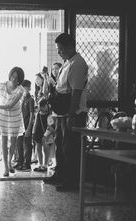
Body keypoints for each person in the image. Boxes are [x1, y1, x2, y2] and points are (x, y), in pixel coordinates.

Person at [46, 33, 88, 192]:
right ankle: (60, 174)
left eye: (61, 49)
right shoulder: (68, 62)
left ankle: (71, 180)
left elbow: (76, 92)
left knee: (70, 147)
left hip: (73, 112)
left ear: (70, 46)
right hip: (61, 112)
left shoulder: (77, 64)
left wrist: (71, 115)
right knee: (60, 144)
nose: (59, 52)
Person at [0, 67, 25, 177]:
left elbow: (10, 106)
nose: (14, 79)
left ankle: (10, 162)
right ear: (10, 75)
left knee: (13, 142)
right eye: (12, 76)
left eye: (17, 78)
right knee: (4, 141)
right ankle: (6, 167)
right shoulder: (1, 85)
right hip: (2, 117)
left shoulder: (20, 90)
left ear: (20, 79)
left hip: (15, 116)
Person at [13, 79, 34, 171]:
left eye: (25, 87)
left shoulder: (30, 99)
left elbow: (32, 115)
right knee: (19, 145)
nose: (23, 89)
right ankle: (19, 162)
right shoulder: (21, 99)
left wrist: (29, 128)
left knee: (27, 145)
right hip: (19, 126)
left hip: (27, 126)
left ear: (29, 88)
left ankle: (27, 164)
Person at [33, 98, 54, 172]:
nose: (40, 109)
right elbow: (36, 123)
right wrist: (33, 132)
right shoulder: (38, 114)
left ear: (46, 106)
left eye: (42, 107)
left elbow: (50, 127)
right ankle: (40, 164)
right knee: (38, 148)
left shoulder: (49, 115)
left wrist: (45, 135)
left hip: (46, 134)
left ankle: (45, 164)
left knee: (46, 149)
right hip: (37, 133)